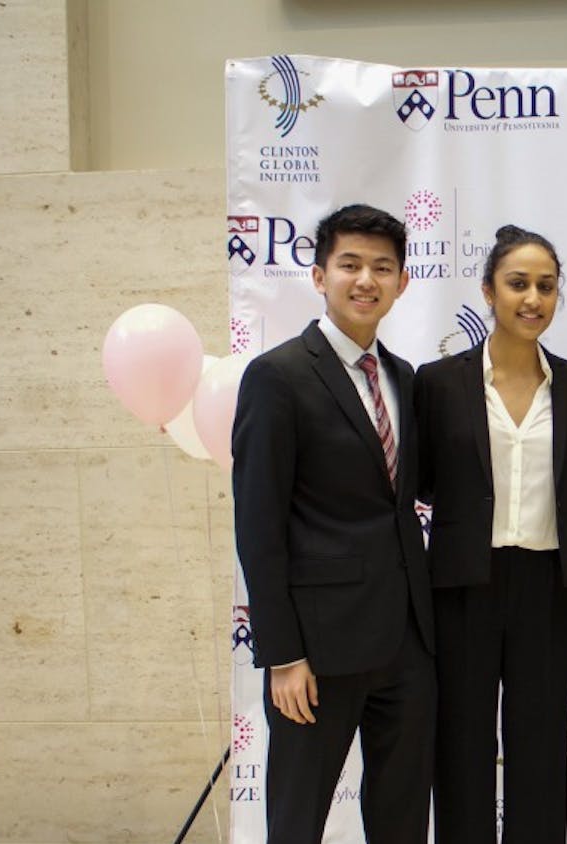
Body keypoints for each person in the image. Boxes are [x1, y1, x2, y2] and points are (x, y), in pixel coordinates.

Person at [231, 203, 435, 844]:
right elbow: (258, 527)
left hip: (406, 641)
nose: (365, 280)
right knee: (298, 820)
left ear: (402, 282)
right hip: (316, 652)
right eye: (350, 265)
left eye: (382, 267)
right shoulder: (277, 377)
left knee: (401, 818)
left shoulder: (403, 377)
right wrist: (283, 654)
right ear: (319, 276)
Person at [415, 225, 567, 844]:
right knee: (461, 746)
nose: (533, 299)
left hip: (549, 586)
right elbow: (422, 481)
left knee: (540, 748)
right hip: (463, 584)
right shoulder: (436, 383)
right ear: (488, 290)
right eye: (518, 284)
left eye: (547, 286)